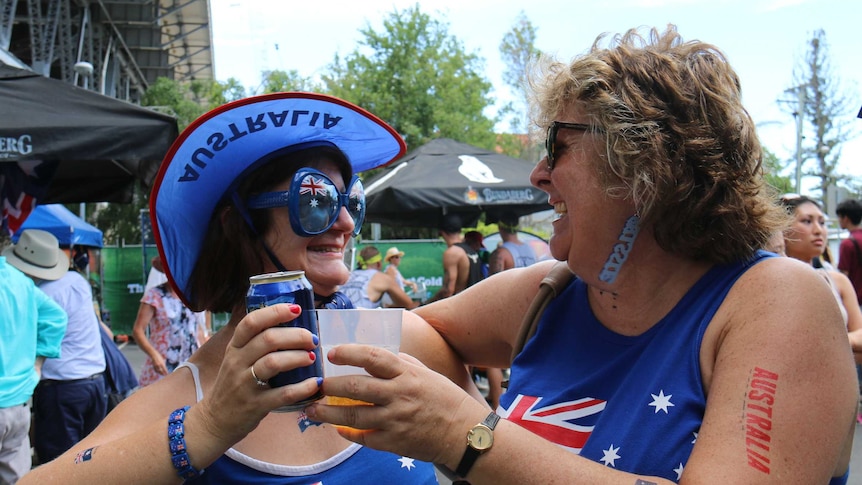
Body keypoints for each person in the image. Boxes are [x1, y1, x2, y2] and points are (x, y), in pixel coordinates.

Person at [304, 26, 859, 484]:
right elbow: (412, 336)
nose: (540, 174)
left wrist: (466, 437)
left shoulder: (778, 300)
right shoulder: (552, 291)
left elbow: (468, 433)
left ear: (646, 162)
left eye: (558, 145)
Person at [20, 92, 477, 483]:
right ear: (239, 225)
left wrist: (463, 437)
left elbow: (499, 449)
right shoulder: (186, 399)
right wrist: (207, 428)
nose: (343, 223)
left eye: (350, 201)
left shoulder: (402, 342)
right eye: (313, 199)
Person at [6, 230, 108, 465]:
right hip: (94, 383)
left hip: (62, 389)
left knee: (59, 464)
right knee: (90, 460)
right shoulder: (77, 281)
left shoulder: (38, 295)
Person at [0, 231, 67, 484]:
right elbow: (57, 318)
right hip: (18, 402)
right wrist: (38, 364)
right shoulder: (23, 283)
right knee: (17, 479)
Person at [779, 195, 862, 359]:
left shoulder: (838, 282)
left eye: (822, 223)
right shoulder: (770, 282)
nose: (818, 230)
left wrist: (829, 342)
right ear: (782, 228)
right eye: (807, 221)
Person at [132, 279, 202, 387]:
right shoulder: (155, 294)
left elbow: (199, 329)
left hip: (190, 363)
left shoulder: (193, 294)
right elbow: (138, 330)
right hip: (163, 365)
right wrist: (154, 355)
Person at [427, 213, 483, 302]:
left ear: (441, 232)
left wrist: (426, 305)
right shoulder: (470, 249)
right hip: (476, 303)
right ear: (460, 230)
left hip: (462, 306)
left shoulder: (452, 253)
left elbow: (448, 290)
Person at [341, 246, 418, 309]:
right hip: (360, 324)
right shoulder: (383, 277)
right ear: (378, 263)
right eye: (396, 257)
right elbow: (408, 305)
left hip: (335, 322)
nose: (399, 259)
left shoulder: (346, 276)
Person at [836, 198, 862, 303]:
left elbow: (843, 275)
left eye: (839, 217)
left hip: (855, 300)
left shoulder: (847, 244)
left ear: (845, 218)